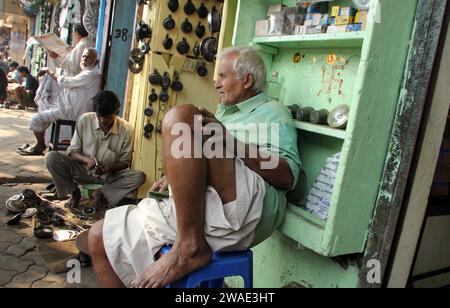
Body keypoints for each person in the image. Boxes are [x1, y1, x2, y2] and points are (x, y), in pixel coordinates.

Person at [88, 46, 301, 288]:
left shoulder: (272, 112)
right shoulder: (225, 112)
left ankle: (189, 246)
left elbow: (287, 177)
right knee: (98, 237)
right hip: (208, 209)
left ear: (247, 80)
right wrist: (175, 175)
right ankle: (188, 239)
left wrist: (228, 140)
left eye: (222, 76)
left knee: (181, 116)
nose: (217, 84)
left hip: (248, 211)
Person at [45, 90, 146, 210]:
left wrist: (108, 168)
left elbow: (125, 162)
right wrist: (86, 160)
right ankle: (74, 192)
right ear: (95, 112)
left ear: (116, 112)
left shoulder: (126, 129)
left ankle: (102, 193)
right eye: (99, 116)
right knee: (51, 157)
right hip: (82, 170)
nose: (103, 120)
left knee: (139, 176)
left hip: (108, 176)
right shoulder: (85, 120)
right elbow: (72, 152)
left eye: (108, 117)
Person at [19, 48, 102, 156]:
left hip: (71, 112)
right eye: (83, 56)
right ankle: (41, 144)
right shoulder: (88, 73)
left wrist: (50, 72)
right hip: (67, 108)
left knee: (35, 119)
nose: (84, 59)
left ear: (95, 62)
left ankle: (40, 145)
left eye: (88, 57)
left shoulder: (92, 74)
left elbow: (66, 82)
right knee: (43, 111)